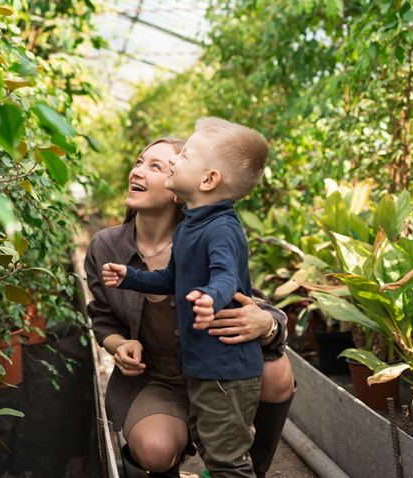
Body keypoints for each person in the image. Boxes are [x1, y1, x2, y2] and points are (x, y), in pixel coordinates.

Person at [85, 133, 295, 478]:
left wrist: (266, 323)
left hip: (216, 368)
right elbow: (104, 318)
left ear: (185, 184)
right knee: (157, 451)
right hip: (159, 378)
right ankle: (212, 461)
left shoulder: (212, 231)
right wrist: (120, 344)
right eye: (139, 162)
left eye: (157, 166)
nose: (138, 171)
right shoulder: (107, 246)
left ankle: (244, 468)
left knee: (274, 369)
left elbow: (237, 287)